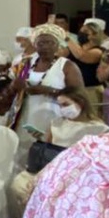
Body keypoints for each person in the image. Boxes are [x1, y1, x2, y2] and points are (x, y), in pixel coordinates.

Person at [7, 89, 108, 218]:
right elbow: (48, 145)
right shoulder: (56, 123)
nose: (62, 109)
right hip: (49, 167)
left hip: (76, 174)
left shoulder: (99, 128)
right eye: (59, 105)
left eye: (66, 104)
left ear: (80, 103)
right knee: (19, 184)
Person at [13, 24, 82, 154]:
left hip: (55, 117)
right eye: (41, 43)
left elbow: (78, 93)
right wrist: (16, 85)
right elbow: (19, 81)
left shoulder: (67, 65)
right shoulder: (27, 64)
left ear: (57, 45)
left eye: (50, 42)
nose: (45, 46)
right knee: (26, 154)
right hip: (28, 117)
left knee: (51, 154)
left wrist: (49, 91)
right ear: (35, 45)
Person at [64, 18, 106, 109]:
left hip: (91, 90)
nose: (81, 33)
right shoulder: (75, 48)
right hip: (75, 90)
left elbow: (81, 56)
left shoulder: (98, 51)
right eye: (81, 31)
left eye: (85, 31)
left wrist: (67, 37)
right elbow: (59, 54)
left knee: (91, 117)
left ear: (95, 35)